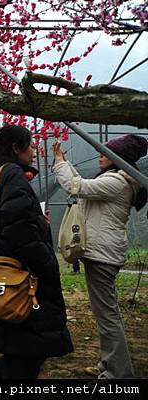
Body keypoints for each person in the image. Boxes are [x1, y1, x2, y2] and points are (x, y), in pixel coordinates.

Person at [0, 125, 73, 379]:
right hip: (23, 271)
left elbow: (7, 219)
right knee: (27, 353)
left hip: (4, 267)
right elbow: (18, 226)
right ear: (15, 148)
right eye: (30, 145)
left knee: (22, 352)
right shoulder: (12, 174)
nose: (34, 150)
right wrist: (46, 261)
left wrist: (37, 221)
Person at [53, 134, 147, 379]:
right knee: (106, 313)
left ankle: (119, 373)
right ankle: (109, 364)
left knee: (107, 315)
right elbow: (81, 184)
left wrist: (60, 163)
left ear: (119, 159)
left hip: (103, 255)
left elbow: (77, 187)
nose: (101, 156)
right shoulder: (116, 179)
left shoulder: (118, 182)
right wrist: (64, 162)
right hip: (104, 253)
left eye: (107, 153)